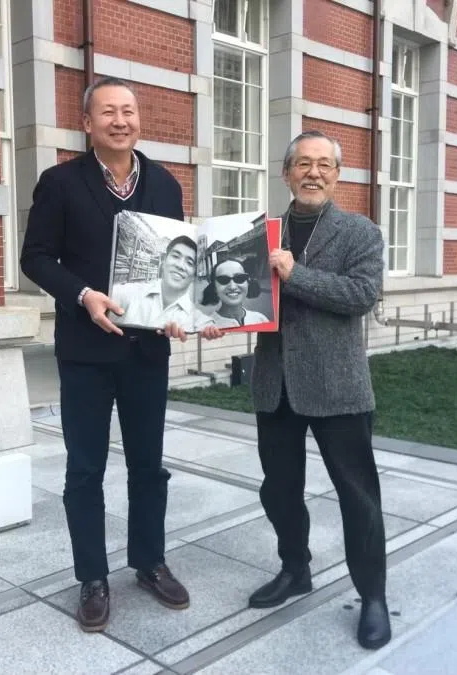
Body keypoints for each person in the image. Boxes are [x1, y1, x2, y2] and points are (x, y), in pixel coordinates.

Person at [20, 76, 223, 632]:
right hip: (85, 352)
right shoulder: (60, 183)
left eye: (129, 111)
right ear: (87, 124)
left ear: (139, 120)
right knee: (84, 469)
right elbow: (35, 258)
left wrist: (190, 315)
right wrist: (82, 295)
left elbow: (177, 264)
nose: (120, 120)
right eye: (107, 112)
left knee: (147, 466)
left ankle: (149, 561)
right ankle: (92, 577)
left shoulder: (163, 184)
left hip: (145, 352)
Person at [247, 130, 391, 650]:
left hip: (338, 387)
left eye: (323, 165)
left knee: (358, 497)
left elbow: (361, 295)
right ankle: (295, 569)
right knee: (279, 491)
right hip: (275, 384)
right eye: (302, 163)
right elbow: (236, 296)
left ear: (337, 174)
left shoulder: (360, 232)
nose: (313, 173)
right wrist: (217, 317)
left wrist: (295, 273)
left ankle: (372, 597)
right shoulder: (257, 233)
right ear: (286, 173)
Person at [111, 235, 215, 332]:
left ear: (194, 274)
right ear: (164, 260)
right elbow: (109, 299)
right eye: (175, 256)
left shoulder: (197, 319)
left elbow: (207, 326)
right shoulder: (130, 293)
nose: (180, 266)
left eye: (189, 263)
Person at [199, 258, 270, 328]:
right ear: (214, 287)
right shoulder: (205, 327)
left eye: (240, 278)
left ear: (248, 283)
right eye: (223, 280)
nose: (232, 287)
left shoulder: (261, 319)